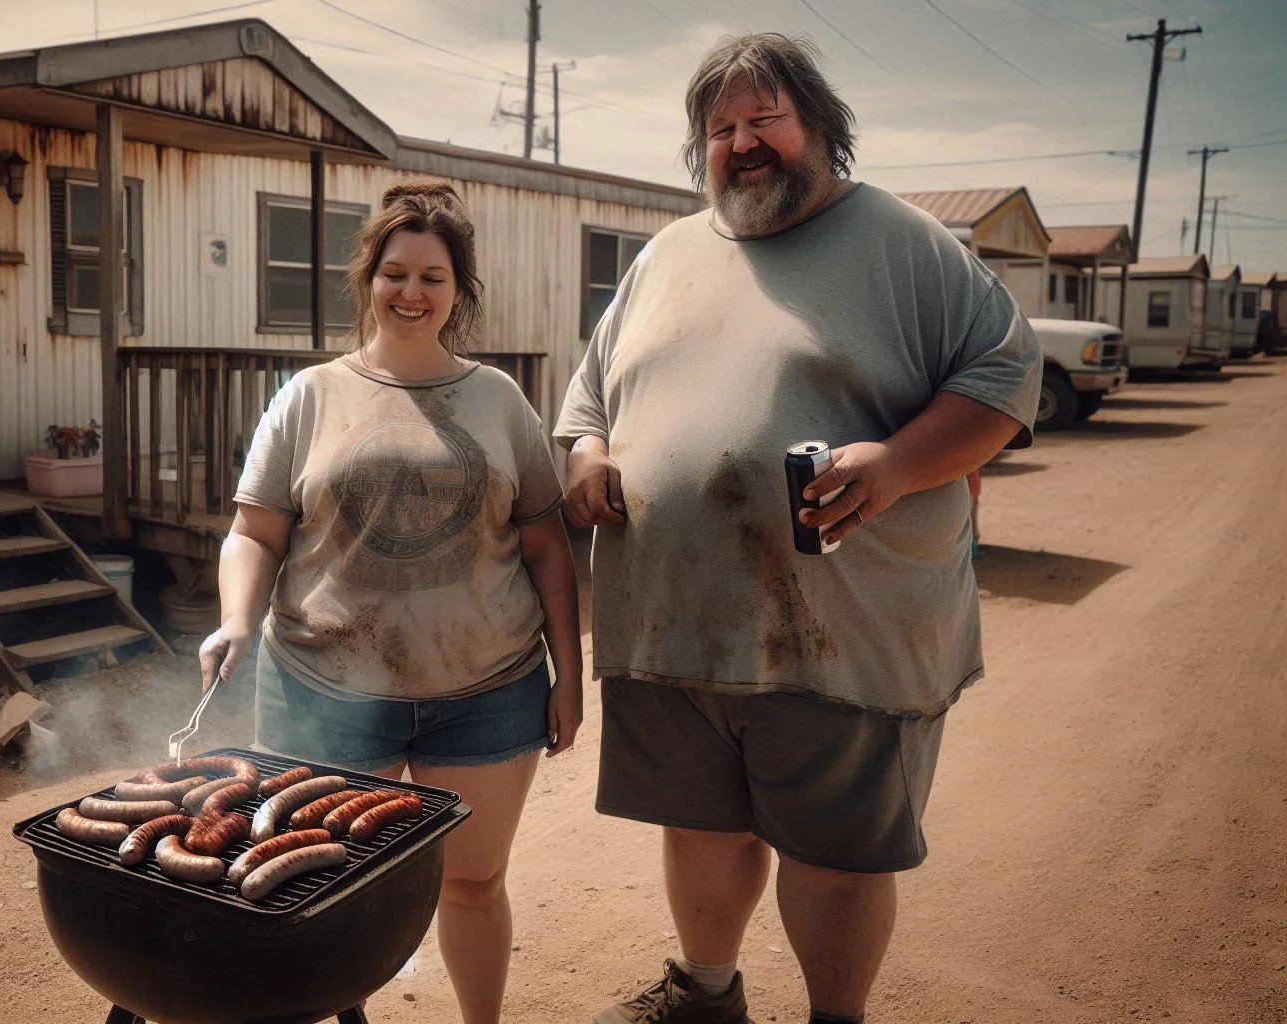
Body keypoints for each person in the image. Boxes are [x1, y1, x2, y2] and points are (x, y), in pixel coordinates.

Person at [555, 34, 1040, 1024]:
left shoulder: (901, 240)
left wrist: (899, 463)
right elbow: (588, 395)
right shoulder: (665, 254)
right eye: (720, 127)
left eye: (762, 116)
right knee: (698, 827)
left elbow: (1003, 377)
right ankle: (705, 994)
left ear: (817, 124)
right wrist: (587, 457)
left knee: (833, 855)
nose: (741, 141)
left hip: (845, 630)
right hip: (674, 623)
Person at [200, 179, 584, 1024]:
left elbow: (548, 544)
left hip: (486, 690)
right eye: (396, 273)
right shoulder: (310, 395)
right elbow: (255, 533)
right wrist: (236, 619)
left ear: (459, 291)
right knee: (322, 890)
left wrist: (570, 673)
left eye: (433, 278)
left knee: (474, 884)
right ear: (368, 279)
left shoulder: (499, 399)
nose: (412, 293)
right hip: (322, 687)